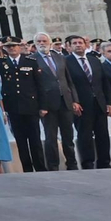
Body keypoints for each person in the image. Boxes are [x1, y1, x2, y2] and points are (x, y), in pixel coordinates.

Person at [0, 41, 46, 172]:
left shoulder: (30, 62)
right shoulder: (2, 63)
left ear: (19, 47)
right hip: (14, 107)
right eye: (8, 46)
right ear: (5, 48)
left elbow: (39, 85)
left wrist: (43, 106)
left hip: (31, 106)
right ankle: (27, 168)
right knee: (21, 141)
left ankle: (40, 167)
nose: (12, 48)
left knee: (35, 140)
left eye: (14, 45)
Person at [61, 36, 109, 169]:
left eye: (80, 43)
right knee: (85, 135)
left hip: (99, 103)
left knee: (103, 134)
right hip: (81, 104)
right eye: (75, 43)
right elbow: (67, 85)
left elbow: (104, 83)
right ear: (69, 46)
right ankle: (88, 163)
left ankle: (104, 162)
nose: (78, 45)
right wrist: (73, 102)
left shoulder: (94, 61)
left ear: (85, 45)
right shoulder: (65, 62)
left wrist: (109, 102)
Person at [31, 34, 77, 170]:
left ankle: (72, 164)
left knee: (68, 136)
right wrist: (39, 105)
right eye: (38, 41)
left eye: (44, 41)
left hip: (65, 101)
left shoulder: (60, 57)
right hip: (47, 105)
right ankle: (53, 166)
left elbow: (68, 81)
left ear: (50, 43)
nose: (42, 43)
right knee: (51, 138)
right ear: (35, 44)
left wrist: (75, 100)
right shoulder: (32, 59)